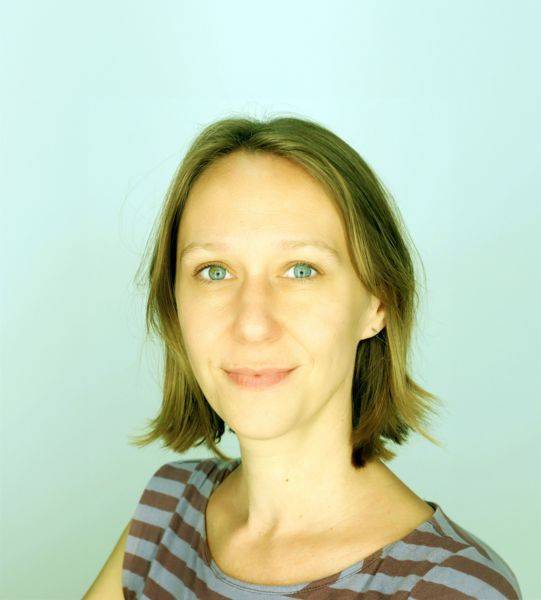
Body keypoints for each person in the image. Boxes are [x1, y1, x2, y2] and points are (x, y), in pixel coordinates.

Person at [83, 116, 522, 599]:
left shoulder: (448, 588)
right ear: (174, 305)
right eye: (213, 271)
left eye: (300, 269)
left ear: (378, 302)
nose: (252, 323)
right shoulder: (166, 513)